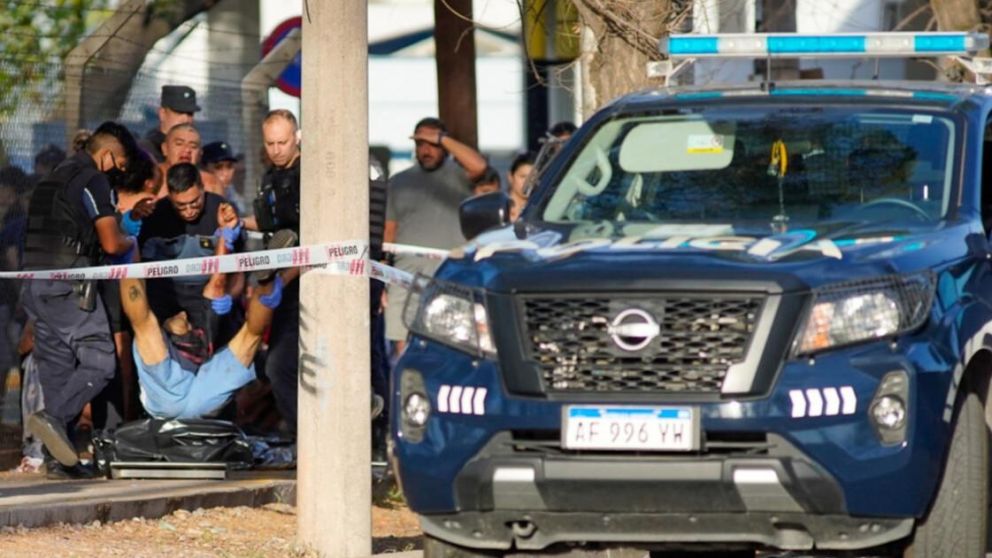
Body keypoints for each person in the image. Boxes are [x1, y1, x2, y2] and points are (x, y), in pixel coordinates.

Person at [21, 121, 139, 474]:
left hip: (35, 287)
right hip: (69, 285)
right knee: (101, 362)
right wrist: (130, 238)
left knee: (57, 373)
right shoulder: (92, 179)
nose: (118, 173)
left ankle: (59, 462)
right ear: (105, 156)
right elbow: (110, 242)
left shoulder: (52, 178)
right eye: (119, 165)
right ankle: (53, 417)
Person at [121, 230, 300, 420]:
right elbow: (217, 284)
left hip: (172, 398)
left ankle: (268, 283)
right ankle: (268, 284)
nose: (182, 314)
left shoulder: (178, 331)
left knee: (143, 324)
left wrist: (127, 259)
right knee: (251, 335)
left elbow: (140, 317)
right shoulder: (200, 319)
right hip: (197, 390)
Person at [383, 117, 486, 354]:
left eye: (432, 143)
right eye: (420, 143)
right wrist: (384, 280)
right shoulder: (398, 182)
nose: (426, 149)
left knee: (451, 349)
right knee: (404, 352)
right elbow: (389, 233)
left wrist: (442, 139)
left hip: (450, 278)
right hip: (405, 279)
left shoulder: (460, 175)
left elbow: (479, 166)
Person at [138, 163, 244, 351]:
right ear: (170, 197)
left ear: (203, 188)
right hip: (167, 297)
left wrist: (229, 296)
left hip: (209, 296)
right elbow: (142, 273)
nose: (189, 210)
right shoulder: (154, 217)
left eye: (194, 202)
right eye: (180, 205)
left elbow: (239, 270)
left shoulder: (223, 211)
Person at [250, 109, 302, 433]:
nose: (276, 149)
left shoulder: (307, 176)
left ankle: (308, 439)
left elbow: (316, 238)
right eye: (270, 143)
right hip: (282, 286)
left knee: (280, 366)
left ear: (296, 137)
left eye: (282, 142)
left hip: (307, 284)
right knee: (278, 366)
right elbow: (274, 227)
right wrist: (238, 221)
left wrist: (283, 280)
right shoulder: (271, 175)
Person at [159, 123, 221, 197]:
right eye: (179, 144)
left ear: (200, 153)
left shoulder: (211, 184)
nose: (187, 150)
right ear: (165, 148)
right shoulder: (151, 177)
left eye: (193, 146)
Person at [142, 85, 199, 163]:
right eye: (179, 112)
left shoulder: (195, 151)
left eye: (190, 114)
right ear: (162, 113)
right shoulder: (147, 149)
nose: (185, 119)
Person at [201, 141, 246, 212]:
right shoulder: (199, 200)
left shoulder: (235, 196)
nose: (225, 173)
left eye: (229, 166)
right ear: (204, 168)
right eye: (218, 167)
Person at [507, 152, 536, 221]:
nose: (528, 182)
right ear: (510, 177)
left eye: (533, 178)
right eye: (523, 177)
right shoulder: (502, 208)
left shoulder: (541, 210)